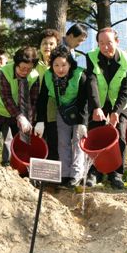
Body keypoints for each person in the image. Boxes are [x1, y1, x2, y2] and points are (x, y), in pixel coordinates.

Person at [85, 28, 127, 189]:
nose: (105, 47)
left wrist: (116, 112)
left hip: (120, 104)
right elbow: (91, 82)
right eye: (101, 43)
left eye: (109, 43)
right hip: (99, 102)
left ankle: (116, 173)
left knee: (120, 136)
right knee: (95, 135)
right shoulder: (91, 56)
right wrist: (96, 107)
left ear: (117, 42)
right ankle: (94, 172)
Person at [35, 45, 88, 187]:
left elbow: (84, 99)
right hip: (62, 110)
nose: (60, 69)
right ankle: (64, 174)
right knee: (62, 142)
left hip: (80, 110)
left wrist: (83, 122)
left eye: (64, 65)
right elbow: (42, 99)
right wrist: (40, 121)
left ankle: (76, 175)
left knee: (78, 141)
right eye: (56, 65)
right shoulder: (48, 76)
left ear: (70, 63)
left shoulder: (80, 75)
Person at [0, 47, 40, 166]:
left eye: (29, 69)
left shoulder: (34, 76)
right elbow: (6, 97)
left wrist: (30, 120)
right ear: (16, 64)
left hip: (19, 113)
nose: (25, 72)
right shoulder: (4, 72)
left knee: (19, 142)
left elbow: (33, 100)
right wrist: (20, 116)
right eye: (22, 68)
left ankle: (16, 168)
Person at [36, 29, 61, 160]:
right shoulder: (33, 64)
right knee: (37, 142)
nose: (48, 47)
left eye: (51, 44)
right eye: (44, 43)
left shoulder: (61, 64)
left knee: (54, 141)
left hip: (54, 110)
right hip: (35, 110)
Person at [0, 50, 13, 165]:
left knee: (8, 139)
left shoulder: (10, 73)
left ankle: (6, 162)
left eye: (1, 59)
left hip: (9, 112)